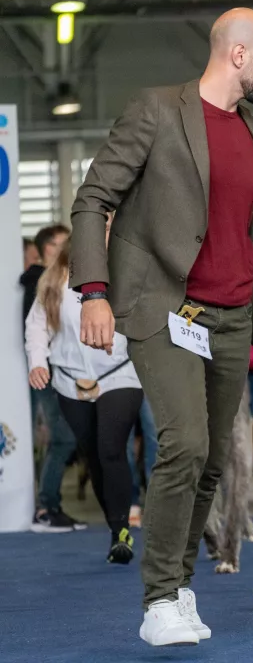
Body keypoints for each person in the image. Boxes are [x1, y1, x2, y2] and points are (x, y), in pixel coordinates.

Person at [69, 7, 253, 646]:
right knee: (186, 443)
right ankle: (157, 602)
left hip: (232, 318)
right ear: (238, 54)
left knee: (211, 463)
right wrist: (93, 292)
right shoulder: (156, 110)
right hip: (167, 309)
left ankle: (178, 588)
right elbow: (93, 200)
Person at [25, 227, 144, 563]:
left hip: (120, 373)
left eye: (109, 229)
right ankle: (116, 527)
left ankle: (122, 532)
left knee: (111, 448)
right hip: (69, 380)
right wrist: (37, 362)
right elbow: (37, 326)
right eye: (99, 229)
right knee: (93, 456)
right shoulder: (54, 279)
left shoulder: (127, 270)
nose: (105, 236)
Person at [20, 224, 81, 533]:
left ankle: (50, 506)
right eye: (62, 242)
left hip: (62, 372)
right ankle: (46, 508)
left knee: (66, 438)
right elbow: (35, 330)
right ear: (49, 248)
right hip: (50, 374)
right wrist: (39, 363)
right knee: (63, 439)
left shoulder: (64, 279)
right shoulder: (42, 282)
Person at [127, 396, 157, 529]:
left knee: (155, 441)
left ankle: (156, 502)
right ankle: (131, 502)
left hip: (152, 386)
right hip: (119, 385)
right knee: (124, 443)